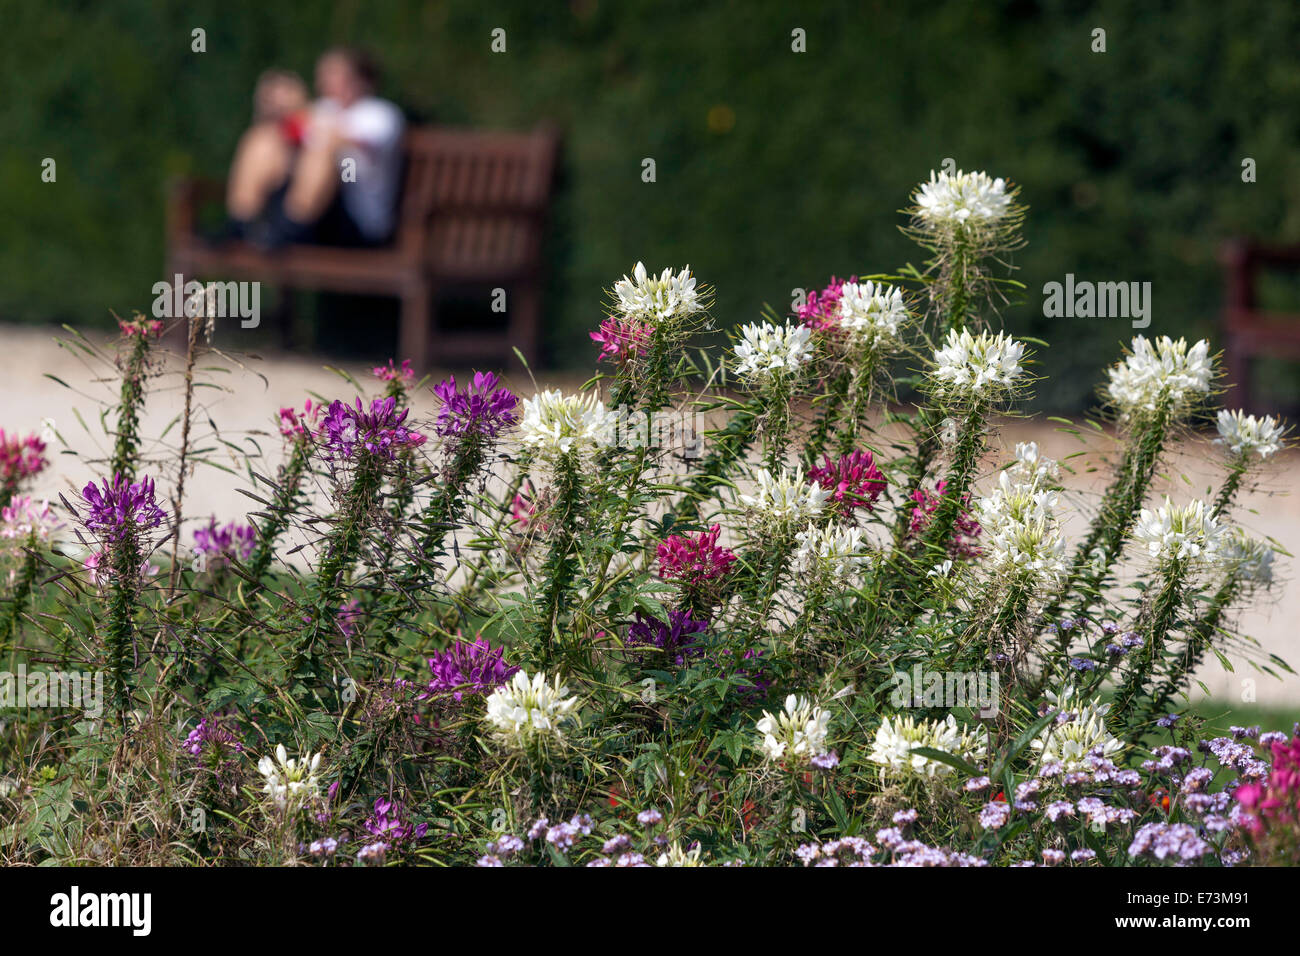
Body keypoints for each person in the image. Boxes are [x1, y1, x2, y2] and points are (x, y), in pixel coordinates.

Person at [225, 49, 405, 249]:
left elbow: (353, 144)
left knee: (323, 152)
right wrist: (273, 107)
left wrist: (304, 113)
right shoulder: (324, 108)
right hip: (312, 213)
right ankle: (240, 222)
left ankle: (288, 229)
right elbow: (289, 138)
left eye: (335, 73)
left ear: (360, 79)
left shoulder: (380, 114)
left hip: (356, 218)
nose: (325, 80)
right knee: (263, 139)